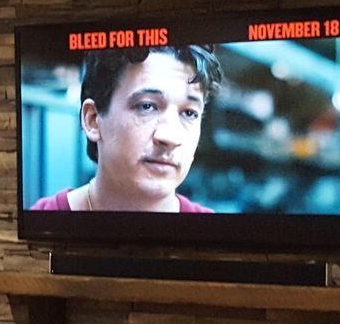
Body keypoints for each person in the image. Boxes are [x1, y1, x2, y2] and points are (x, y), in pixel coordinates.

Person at [31, 44, 221, 212]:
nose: (171, 137)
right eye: (147, 106)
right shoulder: (45, 218)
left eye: (189, 113)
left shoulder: (212, 233)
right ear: (93, 119)